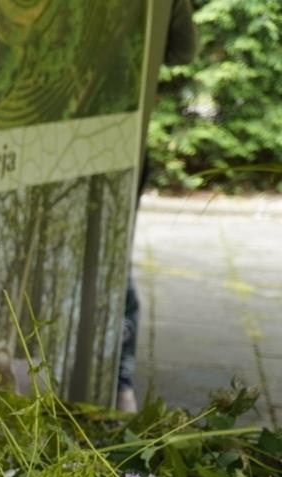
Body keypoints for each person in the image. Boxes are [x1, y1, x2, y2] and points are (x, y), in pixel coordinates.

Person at [118, 0, 197, 413]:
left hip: (109, 140)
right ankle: (117, 383)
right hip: (118, 138)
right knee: (112, 261)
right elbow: (182, 49)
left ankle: (117, 380)